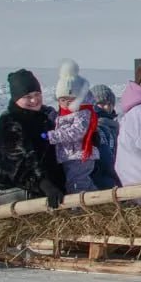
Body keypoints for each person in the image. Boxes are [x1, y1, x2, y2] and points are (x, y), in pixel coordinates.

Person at [0, 68, 64, 207]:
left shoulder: (45, 117)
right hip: (10, 188)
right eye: (27, 97)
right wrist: (44, 184)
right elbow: (19, 162)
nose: (34, 100)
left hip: (39, 185)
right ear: (16, 99)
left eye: (37, 94)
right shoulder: (10, 123)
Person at [44, 59, 100, 194]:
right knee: (78, 182)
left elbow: (76, 132)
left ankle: (83, 207)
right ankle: (98, 202)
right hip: (70, 155)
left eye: (70, 100)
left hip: (80, 156)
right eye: (62, 100)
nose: (66, 103)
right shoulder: (63, 114)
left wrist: (52, 136)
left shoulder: (82, 112)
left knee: (77, 183)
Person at [89, 84, 121, 189]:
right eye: (101, 104)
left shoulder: (115, 127)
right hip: (102, 182)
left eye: (110, 103)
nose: (107, 107)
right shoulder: (96, 128)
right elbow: (106, 160)